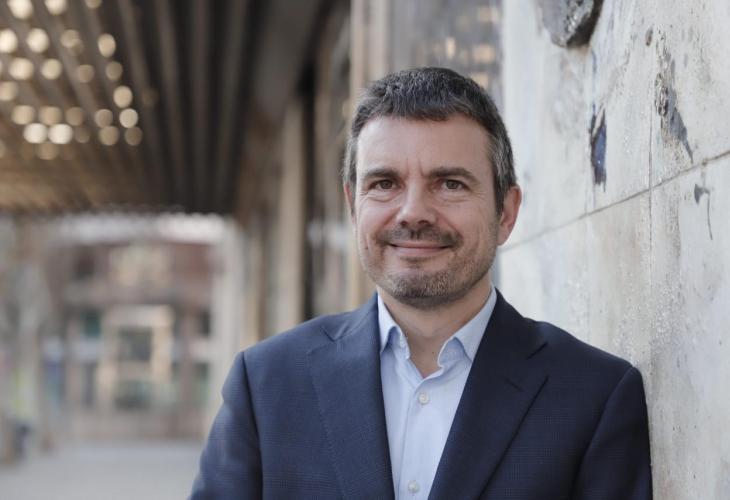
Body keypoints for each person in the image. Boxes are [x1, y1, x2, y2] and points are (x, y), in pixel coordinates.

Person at [190, 67, 652, 499]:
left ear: (506, 213)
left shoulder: (594, 397)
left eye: (449, 184)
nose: (413, 213)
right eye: (384, 183)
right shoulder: (266, 384)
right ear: (353, 206)